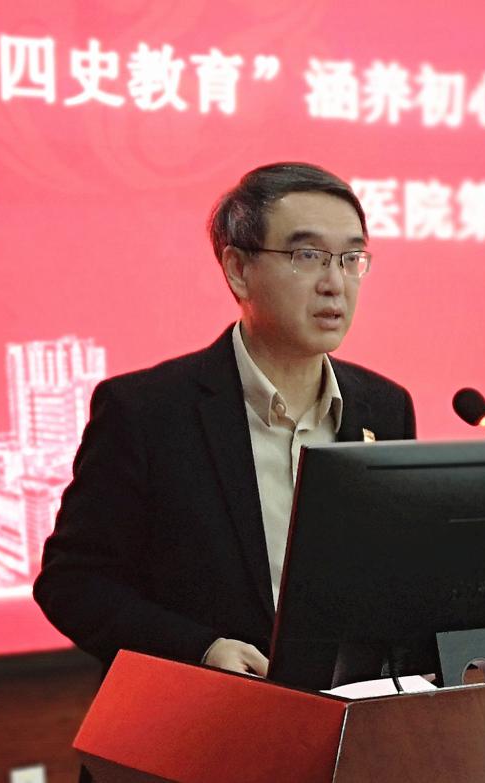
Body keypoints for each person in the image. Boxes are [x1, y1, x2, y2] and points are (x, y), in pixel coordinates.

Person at [33, 162, 417, 682]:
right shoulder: (147, 412)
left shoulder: (384, 408)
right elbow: (73, 583)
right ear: (238, 269)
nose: (335, 284)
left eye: (351, 259)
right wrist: (202, 650)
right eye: (308, 256)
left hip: (353, 718)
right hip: (201, 718)